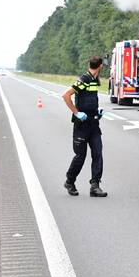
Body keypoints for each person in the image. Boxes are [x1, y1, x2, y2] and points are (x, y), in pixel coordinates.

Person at [61, 56, 107, 197]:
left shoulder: (94, 81)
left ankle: (95, 186)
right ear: (100, 66)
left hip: (93, 124)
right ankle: (69, 181)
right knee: (81, 156)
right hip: (82, 125)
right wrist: (77, 113)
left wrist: (96, 112)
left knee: (97, 153)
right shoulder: (85, 79)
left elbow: (89, 99)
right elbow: (66, 95)